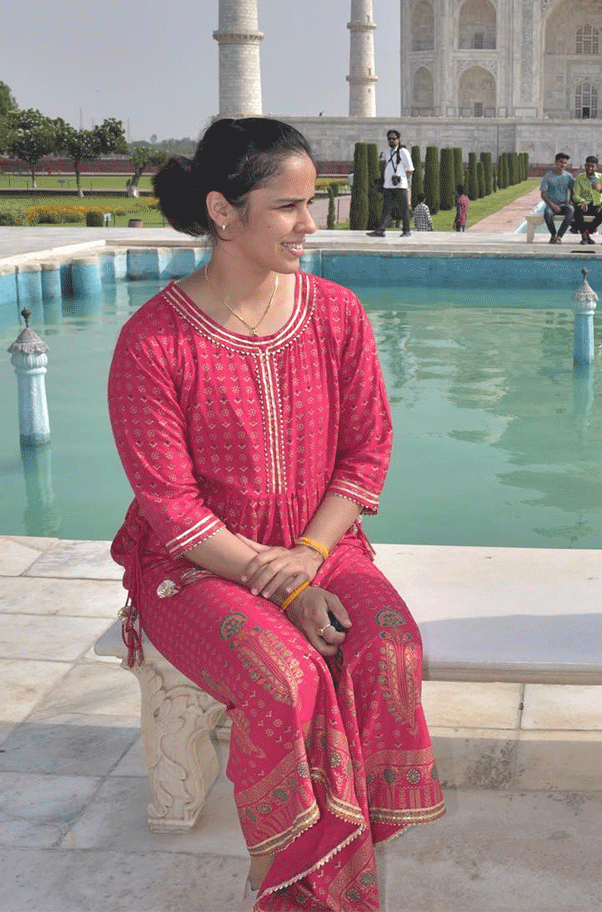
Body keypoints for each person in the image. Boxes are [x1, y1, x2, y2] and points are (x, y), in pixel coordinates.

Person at [110, 118, 444, 912]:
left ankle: (323, 863)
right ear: (224, 213)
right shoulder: (154, 341)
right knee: (285, 677)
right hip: (194, 569)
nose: (311, 224)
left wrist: (306, 556)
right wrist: (283, 584)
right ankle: (295, 878)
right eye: (289, 207)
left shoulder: (336, 314)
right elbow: (172, 509)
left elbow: (366, 454)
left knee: (389, 649)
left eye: (313, 201)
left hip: (321, 545)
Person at [368, 129, 414, 237]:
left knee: (403, 208)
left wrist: (402, 178)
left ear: (399, 140)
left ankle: (406, 231)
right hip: (389, 185)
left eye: (394, 138)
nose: (391, 141)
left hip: (400, 186)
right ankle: (381, 230)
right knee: (386, 208)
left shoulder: (403, 152)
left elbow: (410, 169)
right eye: (389, 139)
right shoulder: (387, 152)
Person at [570, 155, 602, 244]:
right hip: (584, 204)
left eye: (592, 166)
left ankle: (585, 233)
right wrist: (582, 200)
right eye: (588, 166)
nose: (590, 168)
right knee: (578, 212)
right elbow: (576, 194)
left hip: (597, 205)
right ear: (585, 165)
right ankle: (585, 236)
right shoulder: (580, 177)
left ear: (597, 167)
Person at [539, 152, 575, 243]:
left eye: (565, 163)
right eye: (561, 162)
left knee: (571, 209)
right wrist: (552, 205)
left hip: (563, 205)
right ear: (555, 162)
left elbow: (573, 191)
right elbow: (543, 194)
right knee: (547, 213)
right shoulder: (548, 176)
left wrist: (571, 200)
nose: (563, 164)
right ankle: (553, 235)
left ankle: (559, 236)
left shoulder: (568, 176)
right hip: (551, 205)